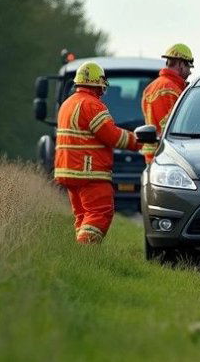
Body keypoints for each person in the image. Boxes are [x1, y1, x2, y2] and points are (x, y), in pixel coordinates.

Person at [55, 62, 142, 244]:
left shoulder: (67, 104)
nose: (103, 90)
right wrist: (140, 141)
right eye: (102, 84)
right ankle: (85, 253)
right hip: (89, 172)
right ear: (97, 83)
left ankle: (81, 253)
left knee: (82, 216)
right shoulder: (92, 105)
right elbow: (114, 137)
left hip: (68, 171)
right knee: (99, 213)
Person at [141, 43, 194, 163]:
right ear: (180, 64)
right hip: (166, 155)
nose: (190, 72)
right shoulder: (170, 89)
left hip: (153, 154)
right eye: (189, 67)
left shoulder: (150, 88)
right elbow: (172, 127)